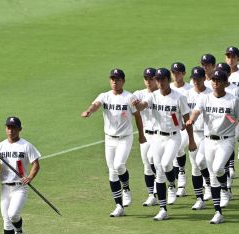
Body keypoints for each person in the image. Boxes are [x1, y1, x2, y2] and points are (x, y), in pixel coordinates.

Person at [186, 69, 239, 223]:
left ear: (225, 83)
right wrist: (191, 120)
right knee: (212, 175)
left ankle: (225, 189)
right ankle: (218, 212)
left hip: (226, 140)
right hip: (208, 140)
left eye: (218, 80)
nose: (215, 83)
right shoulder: (205, 98)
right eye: (213, 80)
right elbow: (196, 111)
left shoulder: (234, 101)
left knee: (217, 169)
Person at [133, 68, 196, 220]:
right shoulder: (152, 96)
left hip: (173, 137)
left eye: (162, 79)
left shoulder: (179, 97)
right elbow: (142, 106)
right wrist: (137, 105)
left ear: (169, 80)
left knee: (167, 163)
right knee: (159, 171)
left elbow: (187, 120)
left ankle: (172, 185)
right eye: (158, 80)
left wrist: (192, 140)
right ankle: (163, 209)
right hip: (156, 138)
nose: (160, 82)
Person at [81, 68, 145, 217]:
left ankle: (127, 189)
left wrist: (141, 135)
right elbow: (96, 104)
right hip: (109, 139)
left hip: (125, 138)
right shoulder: (105, 96)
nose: (114, 82)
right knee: (112, 172)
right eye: (112, 79)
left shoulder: (129, 97)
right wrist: (89, 111)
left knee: (119, 165)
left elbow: (138, 117)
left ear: (123, 81)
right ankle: (119, 206)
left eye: (117, 79)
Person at [0, 116, 41, 234]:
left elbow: (36, 164)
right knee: (6, 221)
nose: (10, 131)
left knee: (13, 214)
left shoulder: (26, 146)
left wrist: (29, 177)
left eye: (14, 128)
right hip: (5, 187)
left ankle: (19, 232)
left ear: (19, 129)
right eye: (8, 127)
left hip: (20, 187)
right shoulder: (0, 146)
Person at [186, 66, 213, 209]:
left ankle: (209, 185)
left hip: (207, 135)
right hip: (193, 134)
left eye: (199, 78)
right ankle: (199, 199)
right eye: (194, 79)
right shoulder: (187, 94)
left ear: (204, 79)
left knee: (201, 161)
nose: (196, 81)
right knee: (195, 167)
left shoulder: (210, 94)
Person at [133, 68, 159, 206]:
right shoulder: (139, 93)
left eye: (151, 79)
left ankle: (162, 188)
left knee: (153, 159)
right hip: (145, 134)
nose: (148, 81)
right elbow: (129, 101)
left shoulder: (161, 94)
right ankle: (151, 195)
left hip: (159, 135)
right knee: (147, 166)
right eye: (146, 79)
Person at [170, 62, 193, 197]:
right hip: (172, 127)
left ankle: (182, 172)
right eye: (173, 72)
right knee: (172, 155)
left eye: (178, 72)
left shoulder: (189, 90)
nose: (175, 75)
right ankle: (180, 186)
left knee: (178, 149)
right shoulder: (169, 88)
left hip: (186, 127)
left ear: (184, 74)